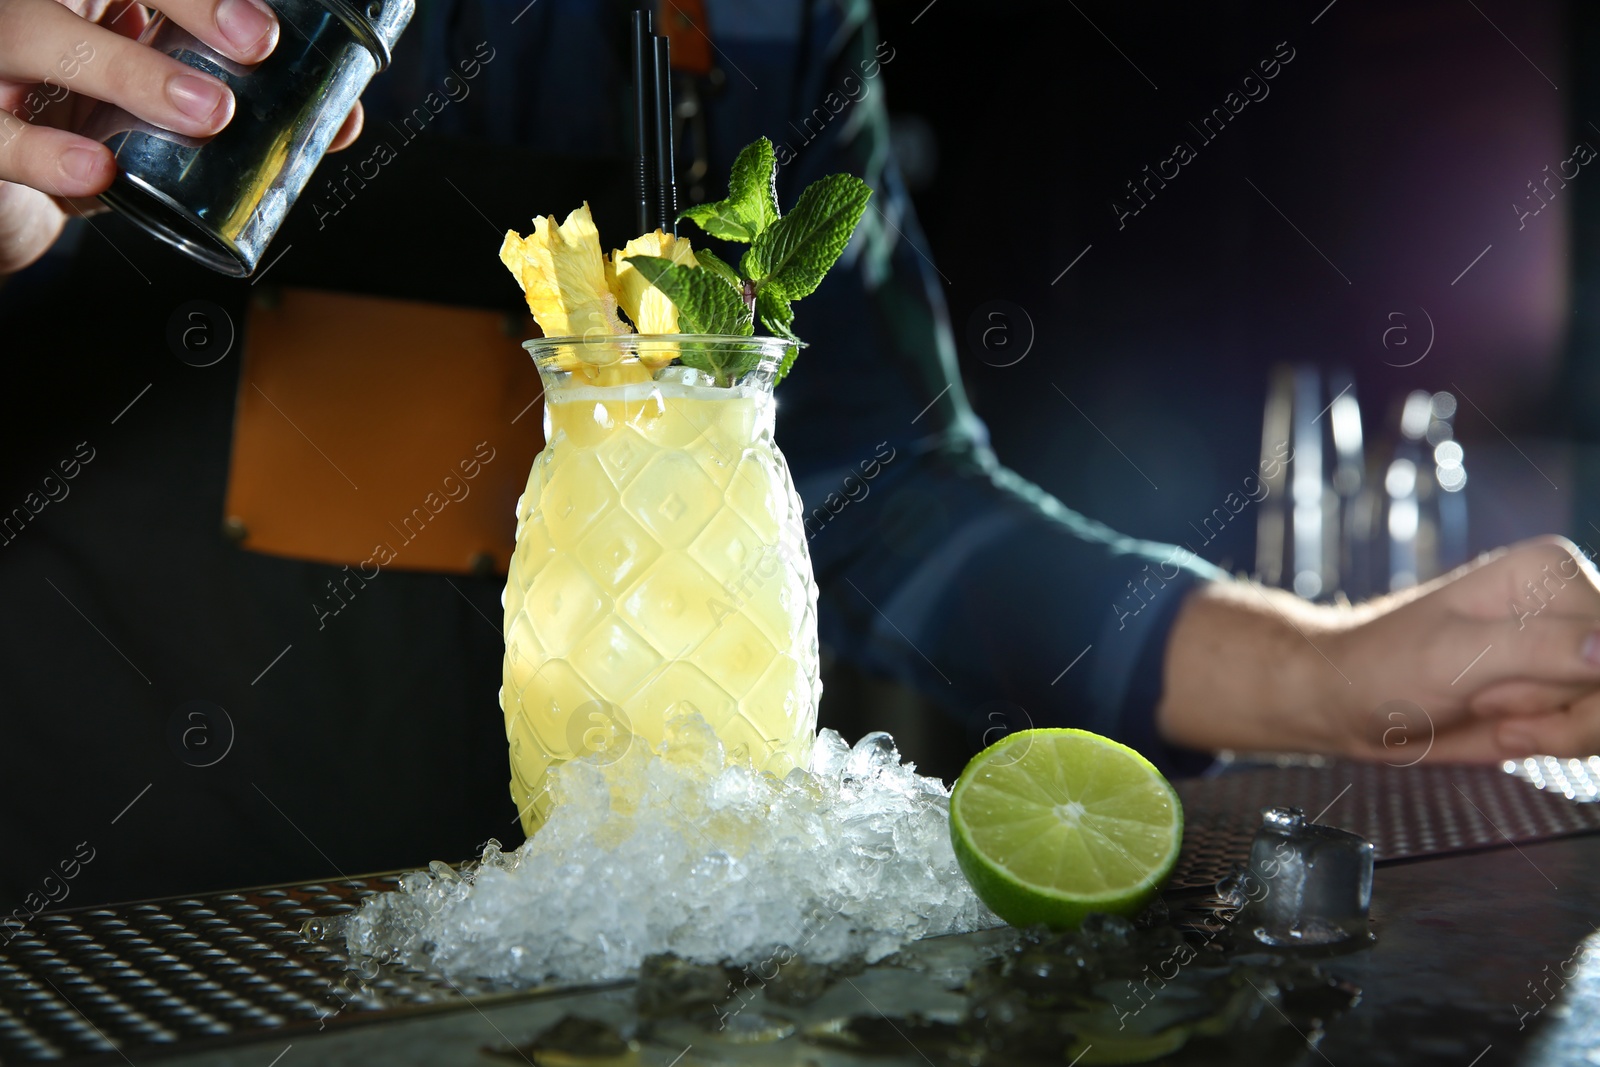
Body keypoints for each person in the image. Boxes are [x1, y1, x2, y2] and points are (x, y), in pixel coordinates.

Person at [1, 0, 1597, 911]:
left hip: (560, 979)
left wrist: (1339, 670)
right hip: (82, 951)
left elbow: (878, 491)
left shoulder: (748, 16)